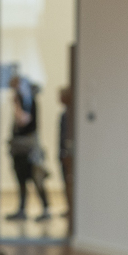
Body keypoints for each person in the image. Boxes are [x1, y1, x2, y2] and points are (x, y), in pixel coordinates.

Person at [5, 74, 50, 222]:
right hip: (20, 148)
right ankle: (22, 209)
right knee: (21, 180)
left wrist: (16, 105)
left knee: (36, 178)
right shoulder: (24, 100)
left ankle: (46, 209)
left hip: (29, 149)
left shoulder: (29, 102)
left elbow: (23, 120)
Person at [56, 84, 73, 223]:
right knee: (65, 183)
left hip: (68, 154)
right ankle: (69, 208)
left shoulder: (72, 115)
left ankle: (72, 209)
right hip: (63, 153)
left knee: (70, 182)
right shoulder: (64, 115)